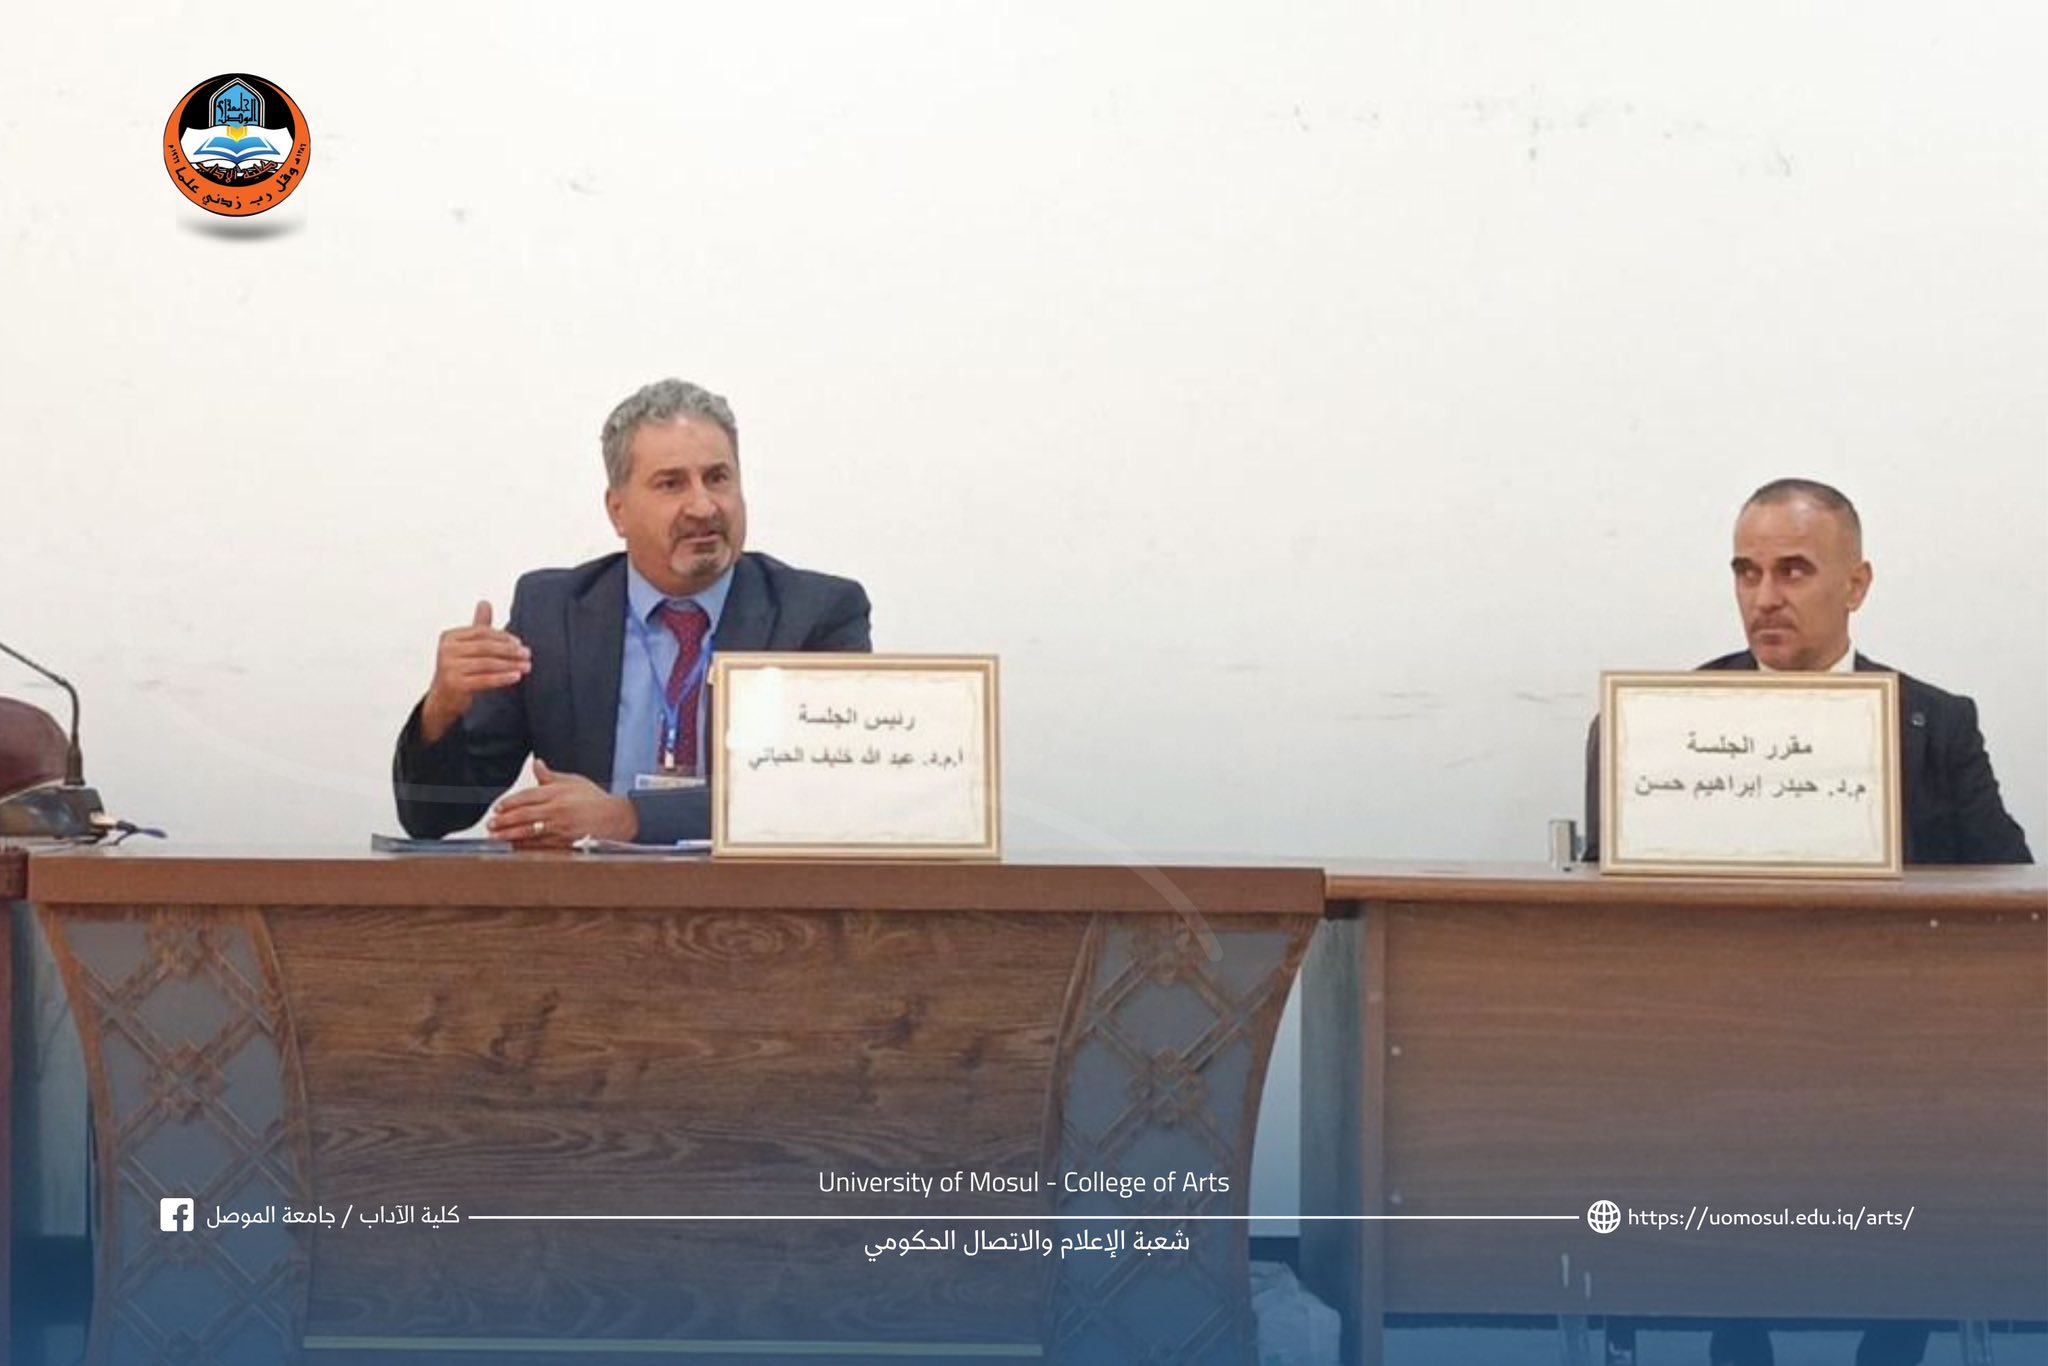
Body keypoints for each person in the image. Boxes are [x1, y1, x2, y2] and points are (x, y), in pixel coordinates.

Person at [1587, 478, 2032, 1366]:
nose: (1764, 597)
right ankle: (1735, 1333)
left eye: (1793, 570)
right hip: (1711, 1034)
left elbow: (2009, 885)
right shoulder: (1664, 720)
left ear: (1856, 584)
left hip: (1893, 1039)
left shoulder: (1934, 723)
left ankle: (1896, 1338)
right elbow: (1605, 898)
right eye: (1746, 572)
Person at [393, 378, 871, 845]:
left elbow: (821, 794)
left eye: (718, 478)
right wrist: (443, 708)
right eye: (671, 484)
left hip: (755, 895)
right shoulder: (553, 614)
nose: (703, 506)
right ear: (617, 511)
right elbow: (432, 815)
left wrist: (630, 818)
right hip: (596, 896)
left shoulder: (814, 616)